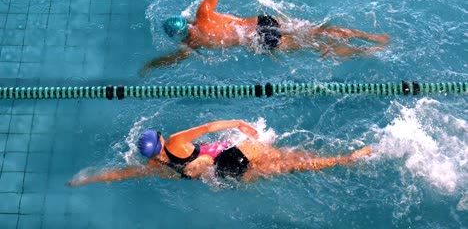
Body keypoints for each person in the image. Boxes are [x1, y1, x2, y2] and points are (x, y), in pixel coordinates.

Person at [139, 0, 389, 76]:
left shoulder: (193, 45)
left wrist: (150, 66)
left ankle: (365, 51)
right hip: (263, 22)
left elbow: (172, 60)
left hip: (261, 41)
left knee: (316, 48)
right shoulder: (203, 15)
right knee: (317, 31)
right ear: (187, 22)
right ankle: (373, 38)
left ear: (182, 34)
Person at [68, 120, 372, 186]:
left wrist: (87, 179)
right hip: (232, 154)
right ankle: (346, 158)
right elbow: (209, 128)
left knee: (287, 168)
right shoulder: (175, 141)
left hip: (227, 174)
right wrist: (239, 123)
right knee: (290, 156)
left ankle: (341, 161)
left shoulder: (160, 167)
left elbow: (124, 172)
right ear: (161, 140)